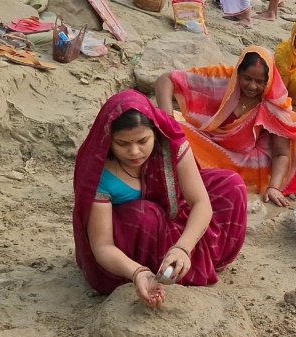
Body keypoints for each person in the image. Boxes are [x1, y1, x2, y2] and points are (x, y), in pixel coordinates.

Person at [73, 90, 248, 309]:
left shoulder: (169, 144)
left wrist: (182, 248)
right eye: (122, 144)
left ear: (155, 133)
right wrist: (138, 272)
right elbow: (102, 246)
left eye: (143, 141)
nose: (134, 151)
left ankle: (185, 259)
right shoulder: (99, 172)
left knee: (231, 185)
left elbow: (201, 203)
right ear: (108, 140)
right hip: (137, 239)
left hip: (174, 216)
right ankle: (160, 270)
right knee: (146, 214)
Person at [155, 46, 296, 207]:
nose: (252, 86)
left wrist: (273, 187)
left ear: (268, 81)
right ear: (238, 73)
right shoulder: (222, 80)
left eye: (259, 82)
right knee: (173, 132)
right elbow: (166, 80)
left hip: (245, 160)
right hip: (211, 140)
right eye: (247, 79)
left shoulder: (272, 104)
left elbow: (281, 154)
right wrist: (167, 119)